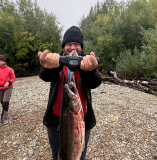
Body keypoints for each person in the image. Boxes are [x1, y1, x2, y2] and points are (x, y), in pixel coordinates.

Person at [38, 26, 102, 160]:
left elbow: (95, 82)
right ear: (64, 46)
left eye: (76, 44)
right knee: (59, 155)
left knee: (79, 155)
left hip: (81, 118)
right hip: (55, 120)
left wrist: (90, 71)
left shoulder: (87, 61)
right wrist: (47, 66)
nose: (73, 47)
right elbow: (44, 75)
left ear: (81, 46)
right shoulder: (56, 60)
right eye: (69, 44)